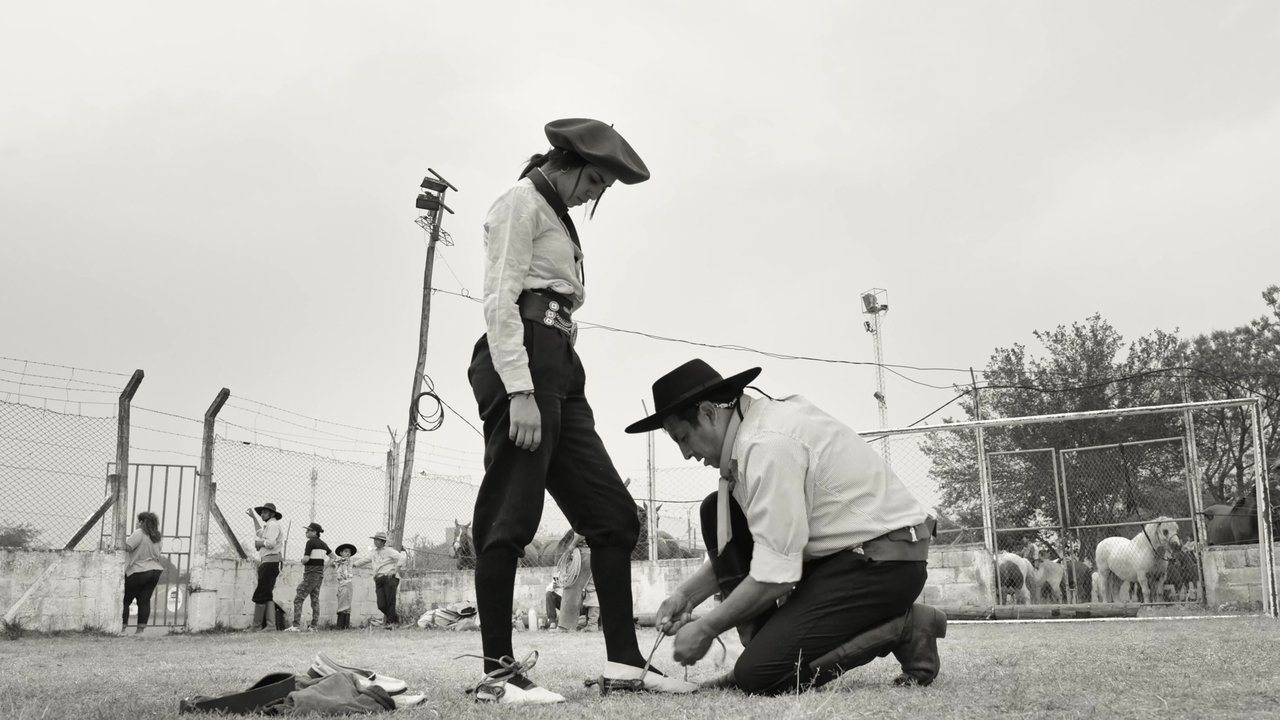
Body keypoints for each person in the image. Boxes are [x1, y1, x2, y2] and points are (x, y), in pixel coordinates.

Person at [465, 118, 695, 704]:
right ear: (565, 162)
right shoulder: (521, 201)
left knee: (613, 517)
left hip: (561, 362)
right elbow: (499, 298)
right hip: (526, 357)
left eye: (603, 189)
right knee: (510, 514)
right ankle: (498, 675)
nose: (595, 194)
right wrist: (519, 389)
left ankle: (623, 665)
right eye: (594, 181)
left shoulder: (559, 215)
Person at [626, 359, 948, 695]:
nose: (685, 454)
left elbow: (776, 574)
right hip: (841, 560)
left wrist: (707, 627)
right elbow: (769, 545)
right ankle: (766, 651)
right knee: (716, 510)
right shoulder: (754, 434)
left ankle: (906, 626)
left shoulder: (768, 445)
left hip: (882, 564)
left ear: (708, 413)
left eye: (683, 438)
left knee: (760, 676)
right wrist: (686, 597)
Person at [122, 511, 165, 636]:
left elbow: (128, 547)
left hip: (138, 569)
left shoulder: (139, 533)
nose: (136, 523)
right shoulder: (156, 536)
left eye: (138, 521)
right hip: (155, 570)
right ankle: (140, 631)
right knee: (144, 600)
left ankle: (123, 628)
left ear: (141, 522)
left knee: (125, 600)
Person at [352, 531, 405, 629]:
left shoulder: (389, 551)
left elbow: (401, 558)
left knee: (390, 601)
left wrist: (394, 570)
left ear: (383, 541)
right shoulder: (373, 553)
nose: (375, 542)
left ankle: (390, 624)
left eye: (378, 540)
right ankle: (395, 618)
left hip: (389, 577)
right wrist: (352, 563)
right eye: (375, 540)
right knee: (381, 605)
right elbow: (363, 560)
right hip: (378, 578)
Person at [247, 502, 284, 631]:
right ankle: (270, 625)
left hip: (269, 562)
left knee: (261, 594)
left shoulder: (273, 525)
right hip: (270, 562)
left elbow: (270, 543)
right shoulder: (270, 525)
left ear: (272, 514)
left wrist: (259, 543)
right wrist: (253, 517)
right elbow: (259, 532)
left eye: (264, 512)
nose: (262, 514)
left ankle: (257, 626)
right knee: (267, 594)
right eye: (261, 513)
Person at [287, 522, 330, 631]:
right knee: (314, 600)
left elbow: (306, 559)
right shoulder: (324, 544)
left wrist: (302, 561)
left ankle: (296, 625)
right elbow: (333, 557)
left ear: (315, 532)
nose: (306, 532)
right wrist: (324, 567)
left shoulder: (310, 542)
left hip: (310, 574)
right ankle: (314, 626)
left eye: (308, 530)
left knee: (298, 598)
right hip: (319, 575)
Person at [331, 542, 357, 630]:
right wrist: (340, 560)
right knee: (343, 603)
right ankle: (342, 625)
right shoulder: (339, 561)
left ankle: (343, 625)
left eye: (349, 552)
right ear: (341, 553)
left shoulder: (349, 561)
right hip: (342, 583)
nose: (348, 554)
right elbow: (334, 562)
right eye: (346, 551)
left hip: (348, 583)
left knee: (346, 604)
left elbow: (347, 562)